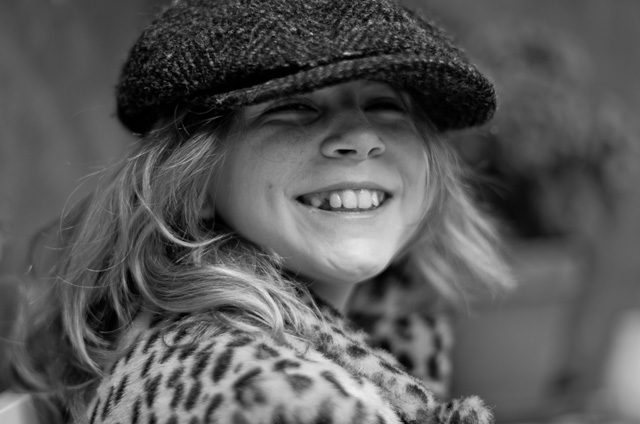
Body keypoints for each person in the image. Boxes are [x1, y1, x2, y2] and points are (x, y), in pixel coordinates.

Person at [5, 0, 512, 423]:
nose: (360, 138)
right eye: (293, 106)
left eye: (386, 104)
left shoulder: (382, 326)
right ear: (192, 179)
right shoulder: (268, 396)